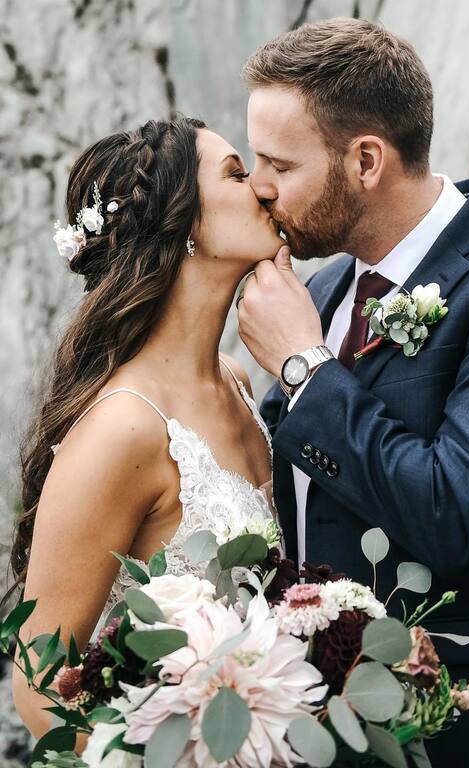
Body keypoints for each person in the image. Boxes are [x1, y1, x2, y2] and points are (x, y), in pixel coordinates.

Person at [237, 17, 469, 766]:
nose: (259, 186)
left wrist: (303, 370)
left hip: (465, 725)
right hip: (317, 728)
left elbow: (456, 513)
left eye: (278, 163)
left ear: (365, 160)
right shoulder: (323, 292)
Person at [5, 117, 286, 745]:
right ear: (187, 224)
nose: (265, 189)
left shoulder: (236, 381)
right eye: (237, 174)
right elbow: (38, 684)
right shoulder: (125, 428)